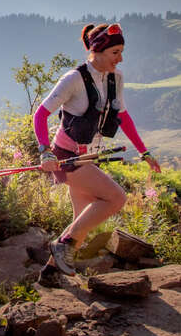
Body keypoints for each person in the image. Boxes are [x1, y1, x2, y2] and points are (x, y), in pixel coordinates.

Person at [33, 23, 161, 288]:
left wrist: (144, 151)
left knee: (82, 221)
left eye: (122, 51)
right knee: (115, 198)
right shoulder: (74, 79)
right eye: (115, 51)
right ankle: (63, 246)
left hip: (88, 156)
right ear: (97, 50)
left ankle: (49, 274)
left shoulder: (116, 78)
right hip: (65, 156)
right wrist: (45, 151)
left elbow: (122, 117)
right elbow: (41, 115)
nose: (120, 58)